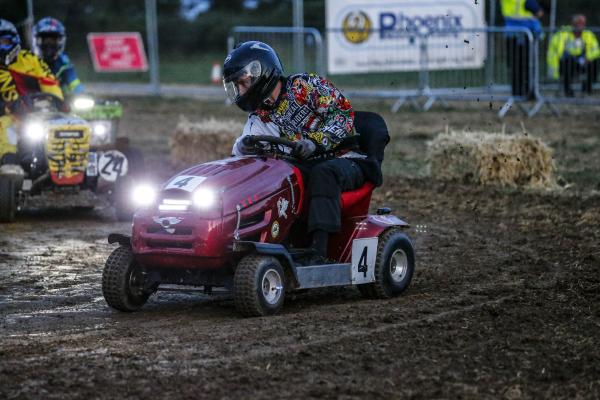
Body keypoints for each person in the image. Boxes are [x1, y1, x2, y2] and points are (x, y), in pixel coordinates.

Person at [224, 41, 380, 262]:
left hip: (347, 158)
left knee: (323, 173)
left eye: (243, 83)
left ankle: (319, 252)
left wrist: (316, 142)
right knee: (275, 177)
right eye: (237, 85)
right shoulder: (261, 114)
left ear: (260, 73)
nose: (240, 91)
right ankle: (274, 243)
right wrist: (243, 147)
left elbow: (343, 114)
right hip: (305, 164)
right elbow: (241, 148)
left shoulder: (305, 87)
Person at [0, 18, 63, 165]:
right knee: (5, 126)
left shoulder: (31, 60)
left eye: (3, 42)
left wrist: (55, 103)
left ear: (14, 41)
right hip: (7, 117)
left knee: (66, 125)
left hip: (36, 114)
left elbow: (50, 83)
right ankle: (9, 165)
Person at [547, 15, 600, 97]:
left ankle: (586, 90)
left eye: (582, 23)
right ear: (572, 24)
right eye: (578, 23)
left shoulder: (588, 35)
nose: (580, 26)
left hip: (582, 62)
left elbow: (596, 50)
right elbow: (555, 51)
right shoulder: (563, 34)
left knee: (594, 63)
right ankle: (568, 91)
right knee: (567, 63)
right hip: (566, 63)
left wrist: (588, 57)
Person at [500, 0, 544, 98]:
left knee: (520, 65)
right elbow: (538, 12)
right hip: (521, 34)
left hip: (517, 33)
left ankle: (522, 92)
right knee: (523, 65)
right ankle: (525, 92)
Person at [33, 17, 84, 98]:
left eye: (53, 40)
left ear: (60, 41)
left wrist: (82, 94)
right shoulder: (29, 62)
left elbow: (74, 83)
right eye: (45, 40)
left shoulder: (64, 63)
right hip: (32, 104)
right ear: (37, 41)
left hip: (60, 104)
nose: (49, 44)